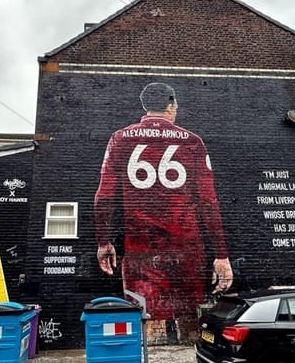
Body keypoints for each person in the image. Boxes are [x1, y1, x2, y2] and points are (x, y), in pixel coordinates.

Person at [93, 82, 233, 341]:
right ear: (171, 106)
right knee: (191, 321)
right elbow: (208, 201)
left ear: (145, 107)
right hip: (187, 249)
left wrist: (103, 240)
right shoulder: (192, 141)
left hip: (140, 250)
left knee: (145, 320)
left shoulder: (120, 139)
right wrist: (221, 255)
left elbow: (105, 196)